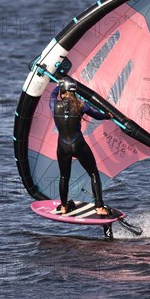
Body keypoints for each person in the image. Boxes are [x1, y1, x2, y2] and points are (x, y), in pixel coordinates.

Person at [50, 77, 111, 215]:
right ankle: (100, 207)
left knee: (64, 176)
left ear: (62, 91)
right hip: (78, 144)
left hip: (63, 147)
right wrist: (108, 115)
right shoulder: (81, 105)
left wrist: (57, 84)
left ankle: (64, 206)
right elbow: (97, 115)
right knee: (94, 173)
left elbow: (53, 95)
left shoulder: (54, 104)